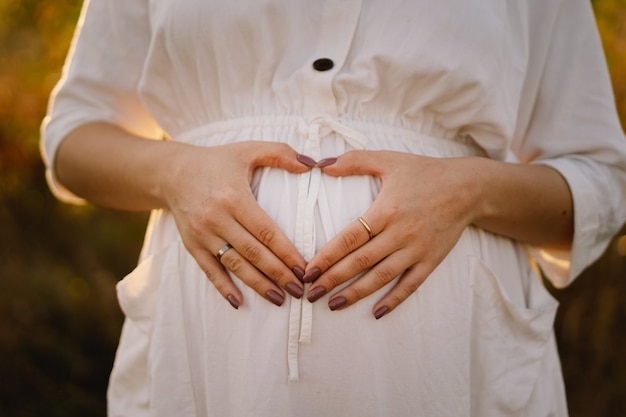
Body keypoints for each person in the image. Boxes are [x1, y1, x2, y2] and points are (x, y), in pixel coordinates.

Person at [41, 1, 626, 416]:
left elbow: (602, 182)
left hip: (452, 369)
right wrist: (177, 173)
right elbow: (73, 138)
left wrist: (467, 189)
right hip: (207, 367)